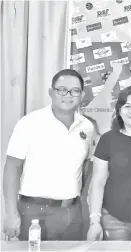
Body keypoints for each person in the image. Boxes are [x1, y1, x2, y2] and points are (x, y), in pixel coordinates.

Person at [2, 69, 94, 240]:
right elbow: (12, 167)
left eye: (75, 91)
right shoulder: (29, 123)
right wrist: (10, 212)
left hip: (71, 212)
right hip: (34, 212)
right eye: (62, 89)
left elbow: (87, 166)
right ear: (51, 92)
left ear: (81, 94)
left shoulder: (87, 127)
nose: (68, 95)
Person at [86, 86, 131, 241]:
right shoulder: (108, 139)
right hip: (115, 221)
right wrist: (95, 221)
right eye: (127, 106)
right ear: (119, 110)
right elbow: (98, 182)